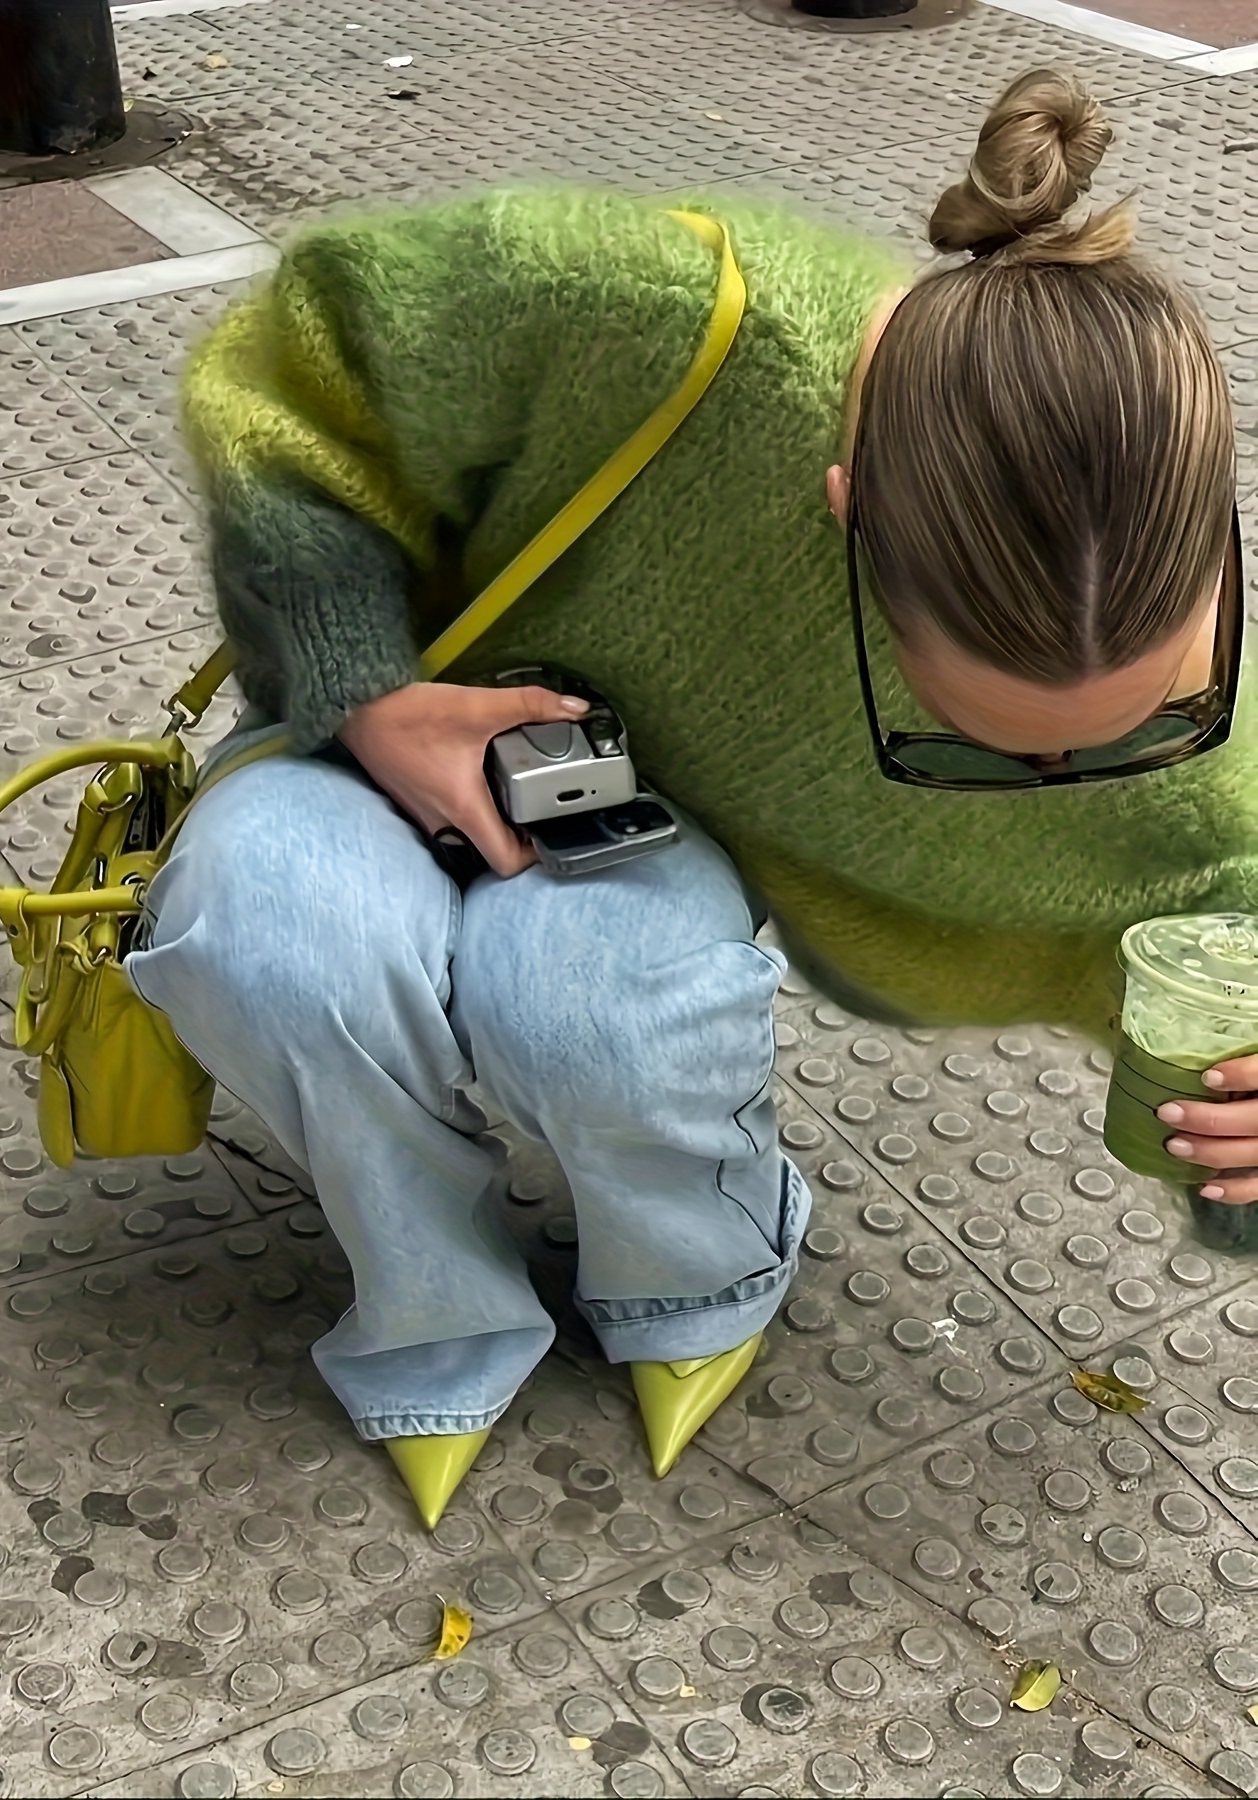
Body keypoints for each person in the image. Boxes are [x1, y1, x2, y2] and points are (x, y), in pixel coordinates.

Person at [126, 68, 1253, 1528]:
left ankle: (699, 1276)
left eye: (1146, 720)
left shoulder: (1205, 712)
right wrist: (364, 688)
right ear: (844, 516)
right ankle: (429, 1311)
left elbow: (1219, 917)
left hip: (636, 804)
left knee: (596, 1001)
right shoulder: (641, 302)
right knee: (269, 941)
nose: (1053, 791)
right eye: (973, 739)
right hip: (383, 712)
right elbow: (300, 359)